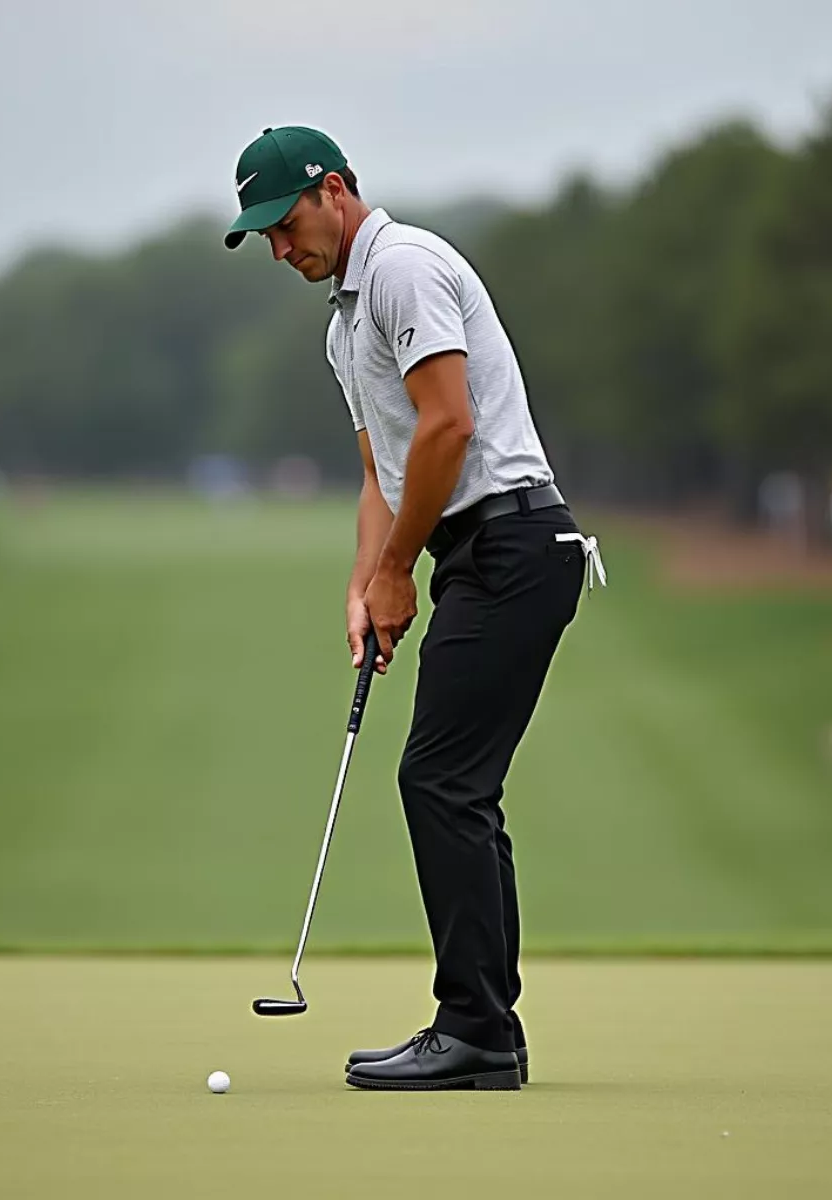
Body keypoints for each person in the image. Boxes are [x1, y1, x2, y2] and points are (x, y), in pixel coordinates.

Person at [224, 126, 606, 1091]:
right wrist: (366, 585)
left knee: (440, 781)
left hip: (517, 544)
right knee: (455, 785)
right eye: (263, 237)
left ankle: (475, 1028)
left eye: (285, 223)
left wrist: (398, 573)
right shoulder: (343, 325)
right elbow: (381, 476)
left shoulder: (402, 270)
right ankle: (489, 1030)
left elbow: (450, 425)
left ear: (336, 191)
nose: (280, 249)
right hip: (475, 554)